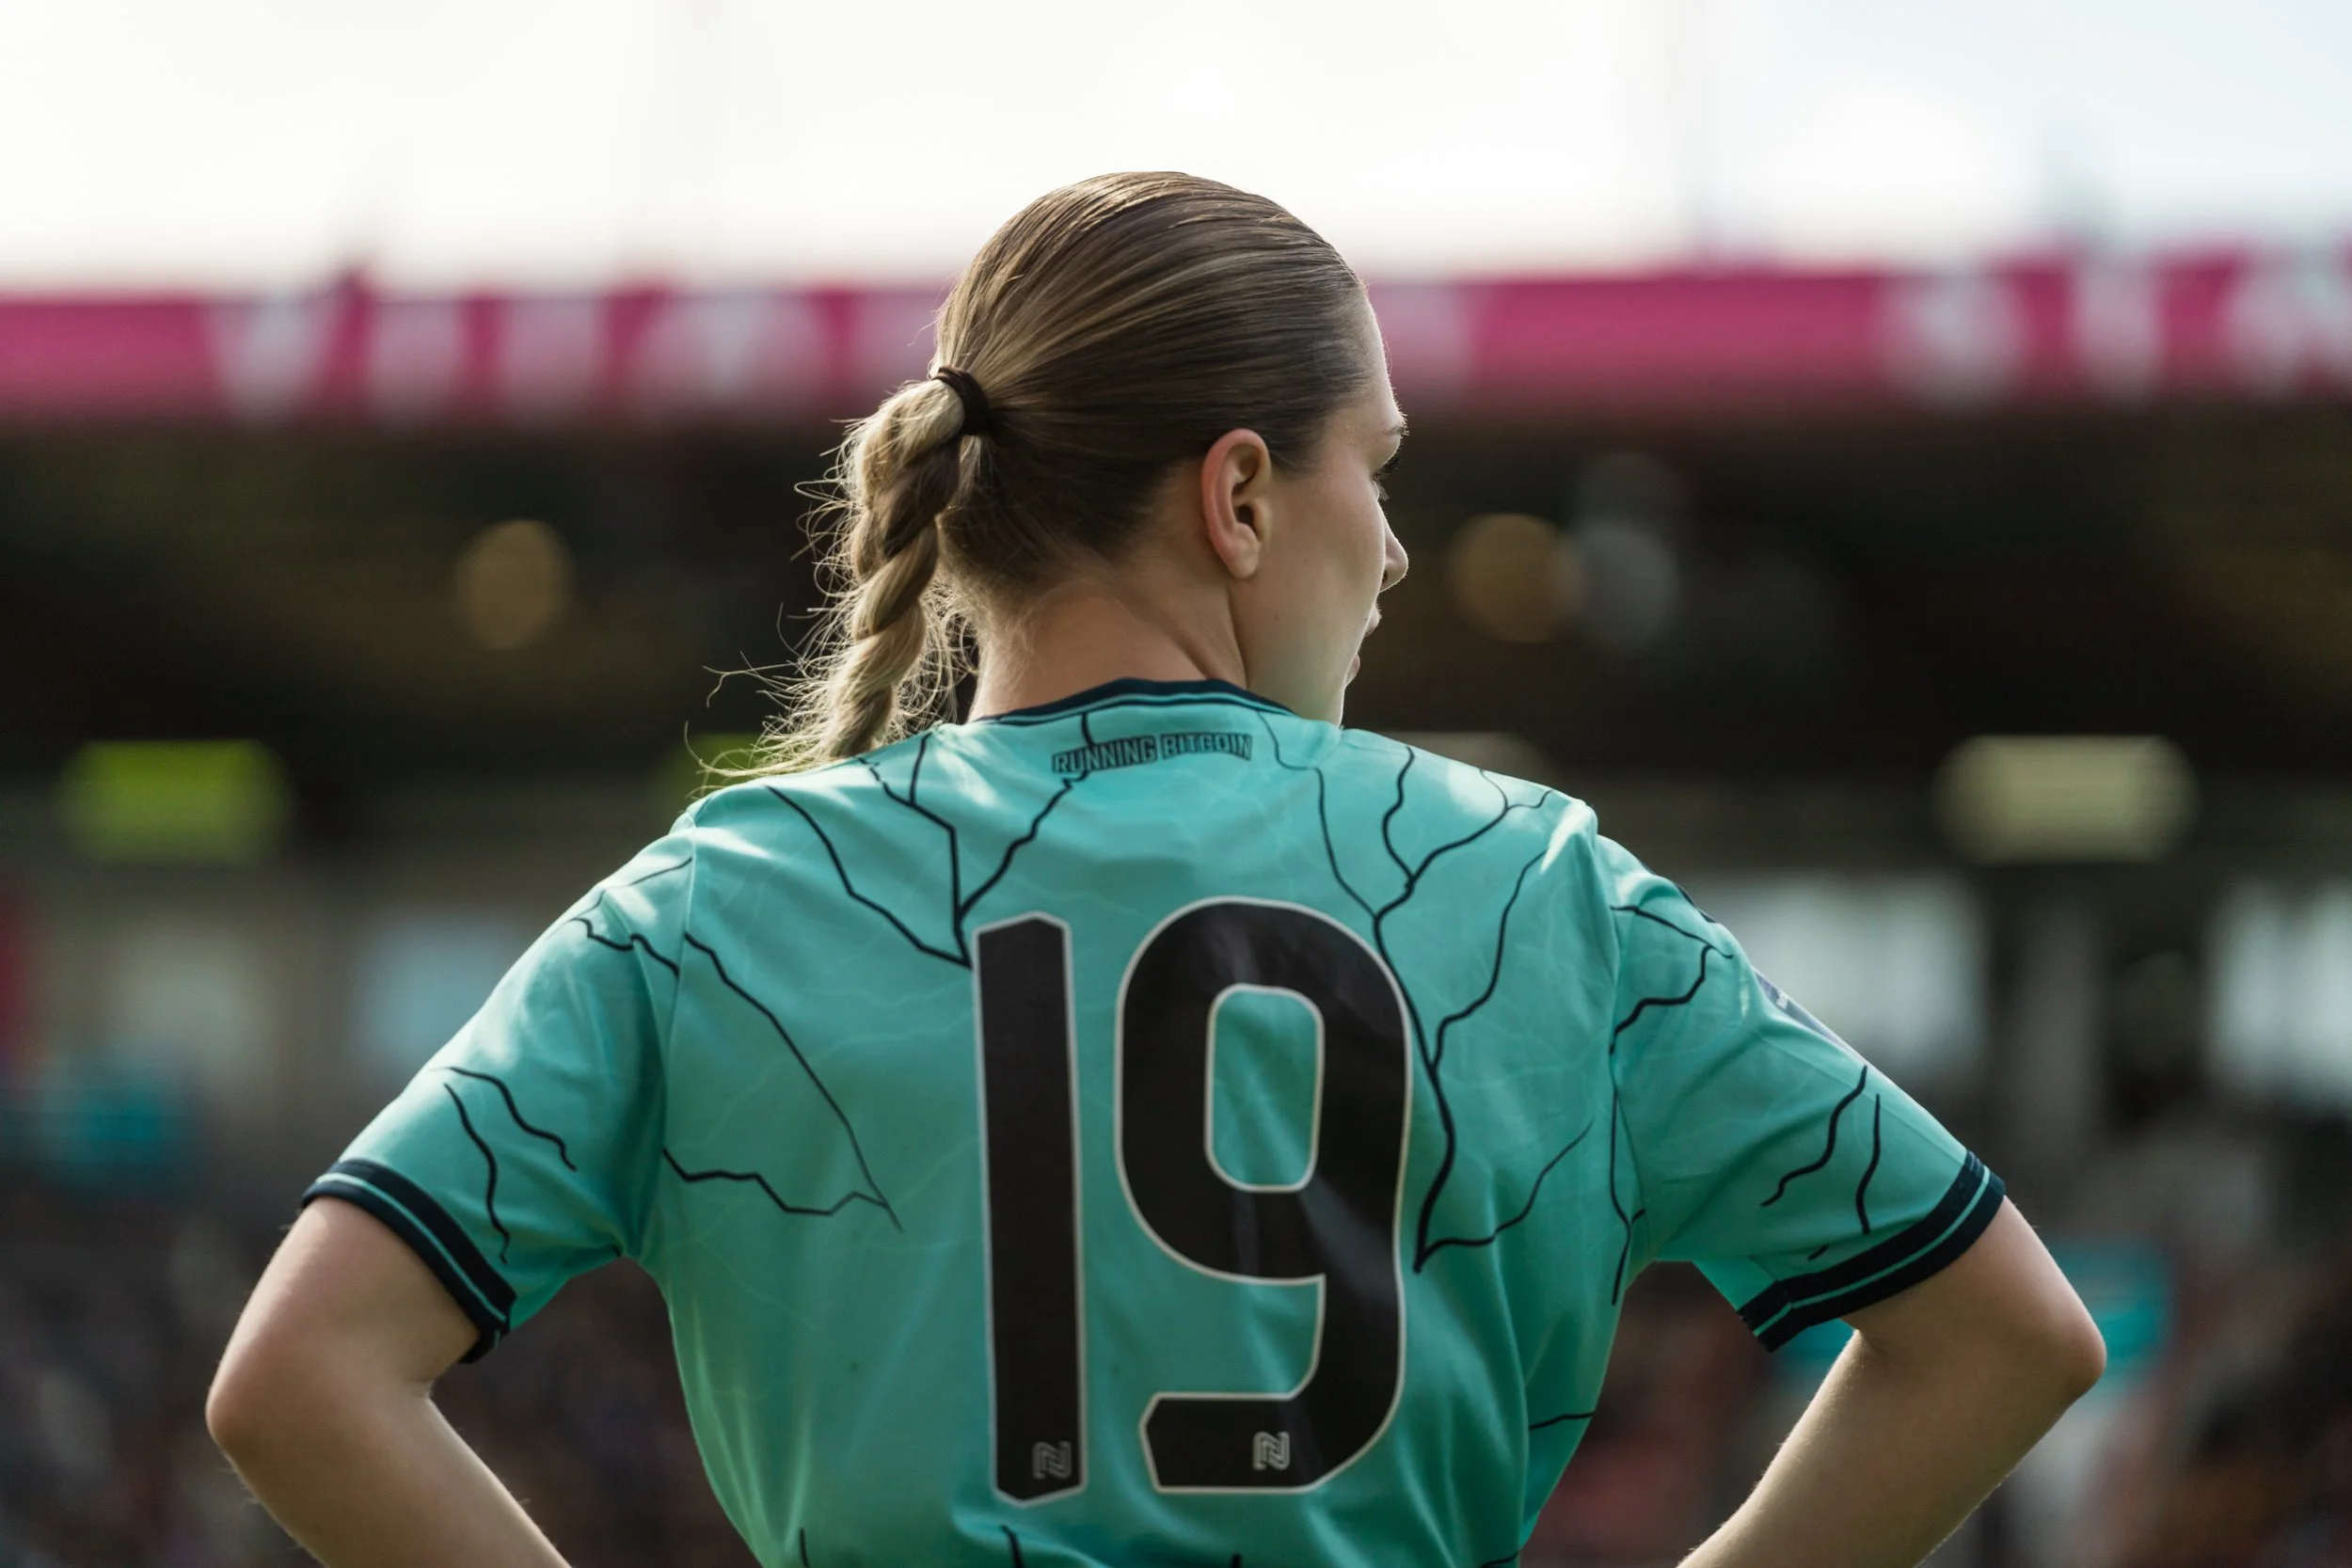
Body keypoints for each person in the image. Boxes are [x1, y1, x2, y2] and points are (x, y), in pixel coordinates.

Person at [207, 171, 2105, 1568]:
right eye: (1375, 468)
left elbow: (296, 1374)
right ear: (1240, 494)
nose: (1394, 545)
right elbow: (2001, 1329)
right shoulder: (1537, 885)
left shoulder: (717, 896)